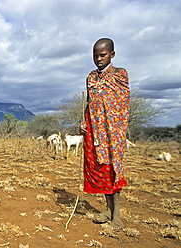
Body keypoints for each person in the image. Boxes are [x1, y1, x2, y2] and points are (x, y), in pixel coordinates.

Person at [80, 38, 129, 230]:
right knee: (100, 170)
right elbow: (90, 104)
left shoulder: (120, 75)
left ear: (112, 55)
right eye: (95, 55)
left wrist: (112, 127)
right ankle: (107, 210)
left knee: (112, 170)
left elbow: (121, 105)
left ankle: (117, 215)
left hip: (112, 133)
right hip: (94, 130)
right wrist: (84, 122)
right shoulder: (91, 78)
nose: (98, 59)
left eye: (103, 55)